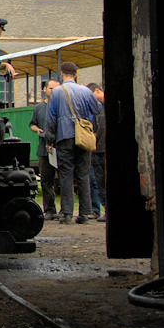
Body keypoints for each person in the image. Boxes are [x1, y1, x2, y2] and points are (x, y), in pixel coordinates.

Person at [44, 61, 102, 224]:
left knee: (66, 175)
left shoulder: (56, 93)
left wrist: (50, 139)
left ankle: (67, 213)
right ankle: (85, 213)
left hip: (64, 137)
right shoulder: (85, 90)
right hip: (82, 136)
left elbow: (51, 119)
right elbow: (97, 109)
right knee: (83, 174)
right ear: (76, 74)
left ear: (62, 74)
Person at [30, 79, 61, 219]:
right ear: (45, 89)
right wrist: (37, 130)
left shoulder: (62, 107)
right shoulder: (39, 108)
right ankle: (49, 210)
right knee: (46, 180)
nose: (53, 91)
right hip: (43, 149)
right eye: (50, 88)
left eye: (56, 89)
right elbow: (32, 124)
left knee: (63, 179)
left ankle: (65, 210)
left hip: (59, 148)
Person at [86, 82, 107, 221]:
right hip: (98, 150)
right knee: (99, 182)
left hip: (101, 149)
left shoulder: (101, 108)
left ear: (98, 91)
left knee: (102, 181)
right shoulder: (97, 109)